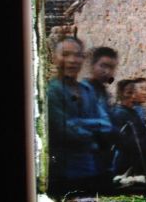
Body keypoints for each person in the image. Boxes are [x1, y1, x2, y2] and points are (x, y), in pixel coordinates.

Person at [47, 36, 113, 195]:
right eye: (65, 54)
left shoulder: (87, 90)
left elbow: (107, 125)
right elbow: (65, 130)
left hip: (93, 170)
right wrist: (93, 128)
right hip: (65, 173)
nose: (72, 60)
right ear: (54, 58)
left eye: (77, 55)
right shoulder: (51, 92)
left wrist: (78, 123)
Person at [81, 46, 119, 178]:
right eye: (103, 66)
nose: (107, 71)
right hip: (87, 159)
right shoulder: (83, 91)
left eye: (111, 67)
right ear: (92, 66)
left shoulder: (105, 94)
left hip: (104, 158)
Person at [110, 79, 146, 178]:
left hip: (138, 161)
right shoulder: (121, 113)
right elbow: (133, 142)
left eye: (134, 92)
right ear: (121, 94)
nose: (132, 96)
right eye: (129, 93)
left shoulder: (132, 112)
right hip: (129, 164)